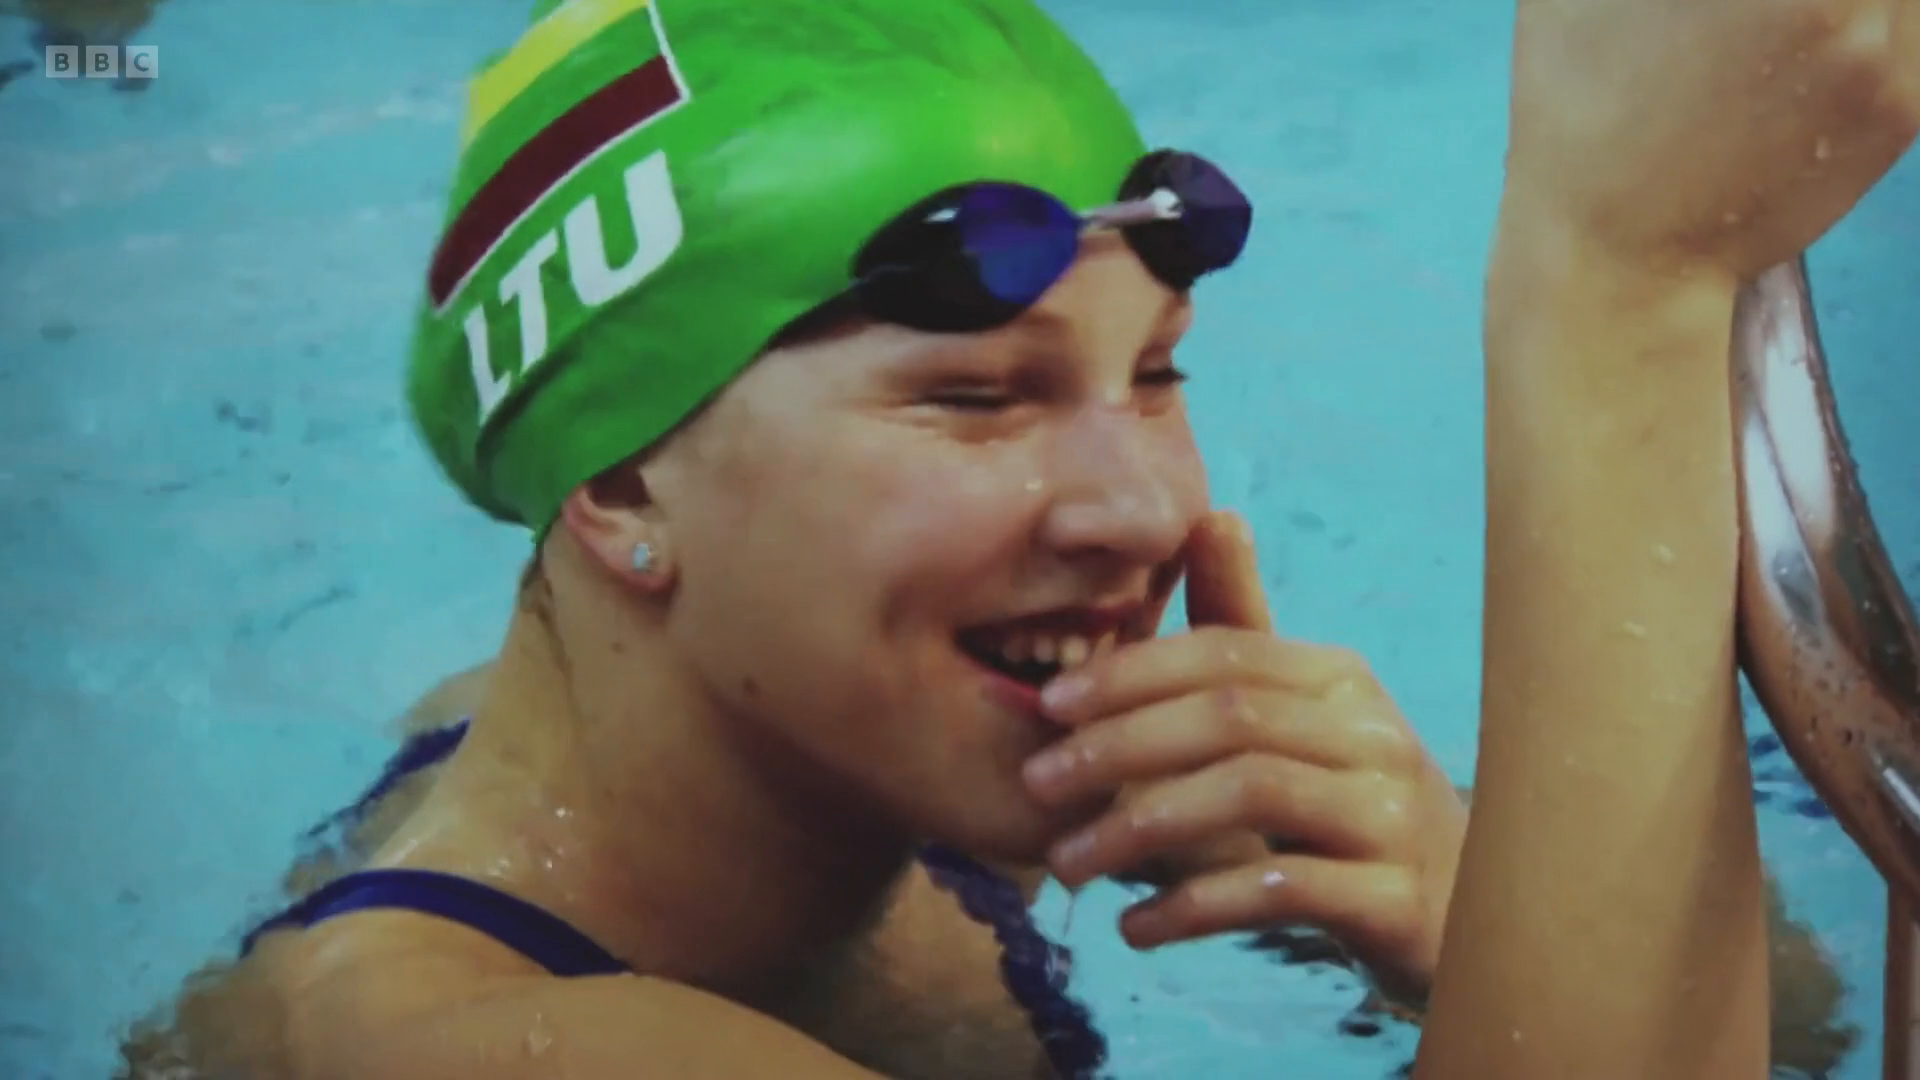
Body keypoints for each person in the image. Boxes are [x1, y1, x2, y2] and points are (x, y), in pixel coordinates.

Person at [110, 0, 1915, 1077]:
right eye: (975, 399)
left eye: (1156, 372)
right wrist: (1616, 285)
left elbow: (1801, 1033)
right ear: (623, 489)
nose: (1143, 507)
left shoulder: (805, 739)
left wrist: (1457, 885)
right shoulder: (465, 1047)